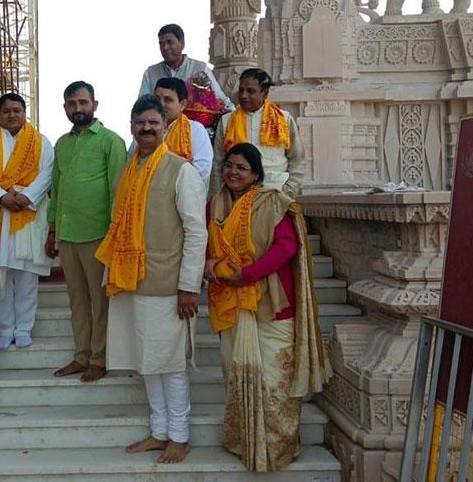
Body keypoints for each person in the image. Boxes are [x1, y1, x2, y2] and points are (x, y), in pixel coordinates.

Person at [205, 143, 330, 471]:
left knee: (275, 380)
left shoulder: (272, 202)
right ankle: (244, 442)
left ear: (256, 174)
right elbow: (205, 245)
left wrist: (245, 274)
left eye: (242, 167)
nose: (233, 172)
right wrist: (210, 266)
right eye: (229, 165)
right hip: (230, 303)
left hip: (271, 302)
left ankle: (277, 448)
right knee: (238, 375)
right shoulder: (214, 206)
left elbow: (286, 247)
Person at [99, 95, 207, 464]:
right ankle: (160, 432)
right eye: (140, 123)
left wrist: (189, 286)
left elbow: (196, 231)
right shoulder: (128, 170)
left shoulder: (181, 170)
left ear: (165, 126)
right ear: (132, 127)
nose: (146, 129)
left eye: (153, 123)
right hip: (130, 278)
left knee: (171, 363)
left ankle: (179, 435)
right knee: (148, 360)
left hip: (167, 282)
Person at [45, 81, 126, 382]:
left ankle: (99, 358)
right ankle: (81, 356)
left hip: (98, 235)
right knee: (77, 300)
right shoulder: (62, 144)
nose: (77, 109)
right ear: (65, 107)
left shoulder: (111, 141)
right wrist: (53, 229)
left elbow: (116, 192)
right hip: (68, 234)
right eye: (71, 103)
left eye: (82, 102)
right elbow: (57, 187)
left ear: (95, 104)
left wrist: (114, 235)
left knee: (99, 301)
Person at [0, 93, 54, 350]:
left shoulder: (41, 142)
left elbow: (47, 173)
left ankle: (24, 328)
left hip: (28, 214)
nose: (12, 115)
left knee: (27, 276)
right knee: (1, 277)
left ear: (24, 112)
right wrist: (2, 197)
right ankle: (5, 328)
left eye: (17, 110)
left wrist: (27, 197)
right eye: (6, 111)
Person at [210, 68, 305, 198]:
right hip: (237, 195)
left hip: (276, 192)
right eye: (241, 90)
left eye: (250, 91)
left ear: (265, 93)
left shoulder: (284, 119)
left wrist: (289, 190)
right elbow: (218, 163)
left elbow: (297, 159)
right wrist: (218, 197)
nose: (243, 95)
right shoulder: (227, 121)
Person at [139, 23, 234, 129]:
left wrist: (234, 118)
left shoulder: (200, 69)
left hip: (193, 131)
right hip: (160, 132)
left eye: (170, 42)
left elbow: (222, 101)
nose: (165, 48)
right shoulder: (151, 73)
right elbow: (142, 106)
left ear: (182, 43)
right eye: (161, 44)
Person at [140, 77, 213, 188]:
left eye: (168, 100)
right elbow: (135, 161)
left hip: (182, 195)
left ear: (182, 104)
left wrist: (165, 186)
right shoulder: (145, 129)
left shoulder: (195, 130)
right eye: (156, 99)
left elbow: (201, 171)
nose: (160, 104)